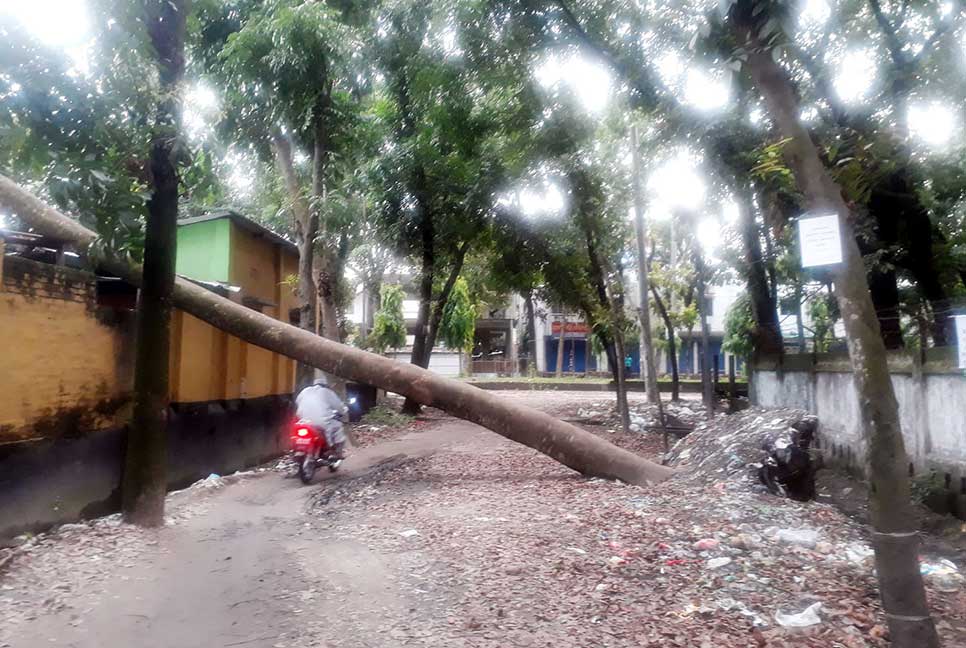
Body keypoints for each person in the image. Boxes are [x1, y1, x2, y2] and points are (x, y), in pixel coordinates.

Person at [295, 376, 348, 459]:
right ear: (325, 385)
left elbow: (297, 402)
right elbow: (339, 407)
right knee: (338, 426)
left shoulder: (305, 391)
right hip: (320, 422)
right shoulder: (327, 392)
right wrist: (342, 412)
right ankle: (337, 452)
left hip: (303, 421)